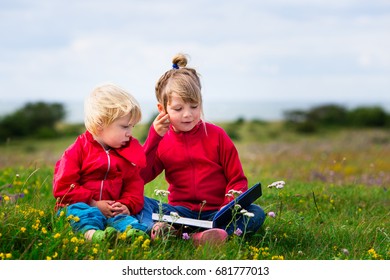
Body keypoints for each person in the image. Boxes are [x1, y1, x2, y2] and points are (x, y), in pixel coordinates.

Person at [140, 53, 266, 245]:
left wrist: (226, 210)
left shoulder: (217, 136)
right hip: (179, 214)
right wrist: (153, 138)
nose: (187, 114)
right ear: (162, 109)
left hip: (217, 213)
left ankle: (200, 236)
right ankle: (179, 234)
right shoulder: (161, 141)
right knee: (138, 203)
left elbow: (237, 180)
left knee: (256, 213)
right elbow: (141, 176)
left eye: (194, 106)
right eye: (178, 109)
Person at [53, 83, 149, 243]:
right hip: (81, 206)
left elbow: (134, 185)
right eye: (124, 126)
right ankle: (93, 236)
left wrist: (126, 205)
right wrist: (93, 203)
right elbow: (63, 187)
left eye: (132, 127)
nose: (129, 133)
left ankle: (133, 234)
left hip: (112, 210)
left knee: (125, 218)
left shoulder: (128, 152)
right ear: (100, 125)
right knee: (80, 214)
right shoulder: (77, 151)